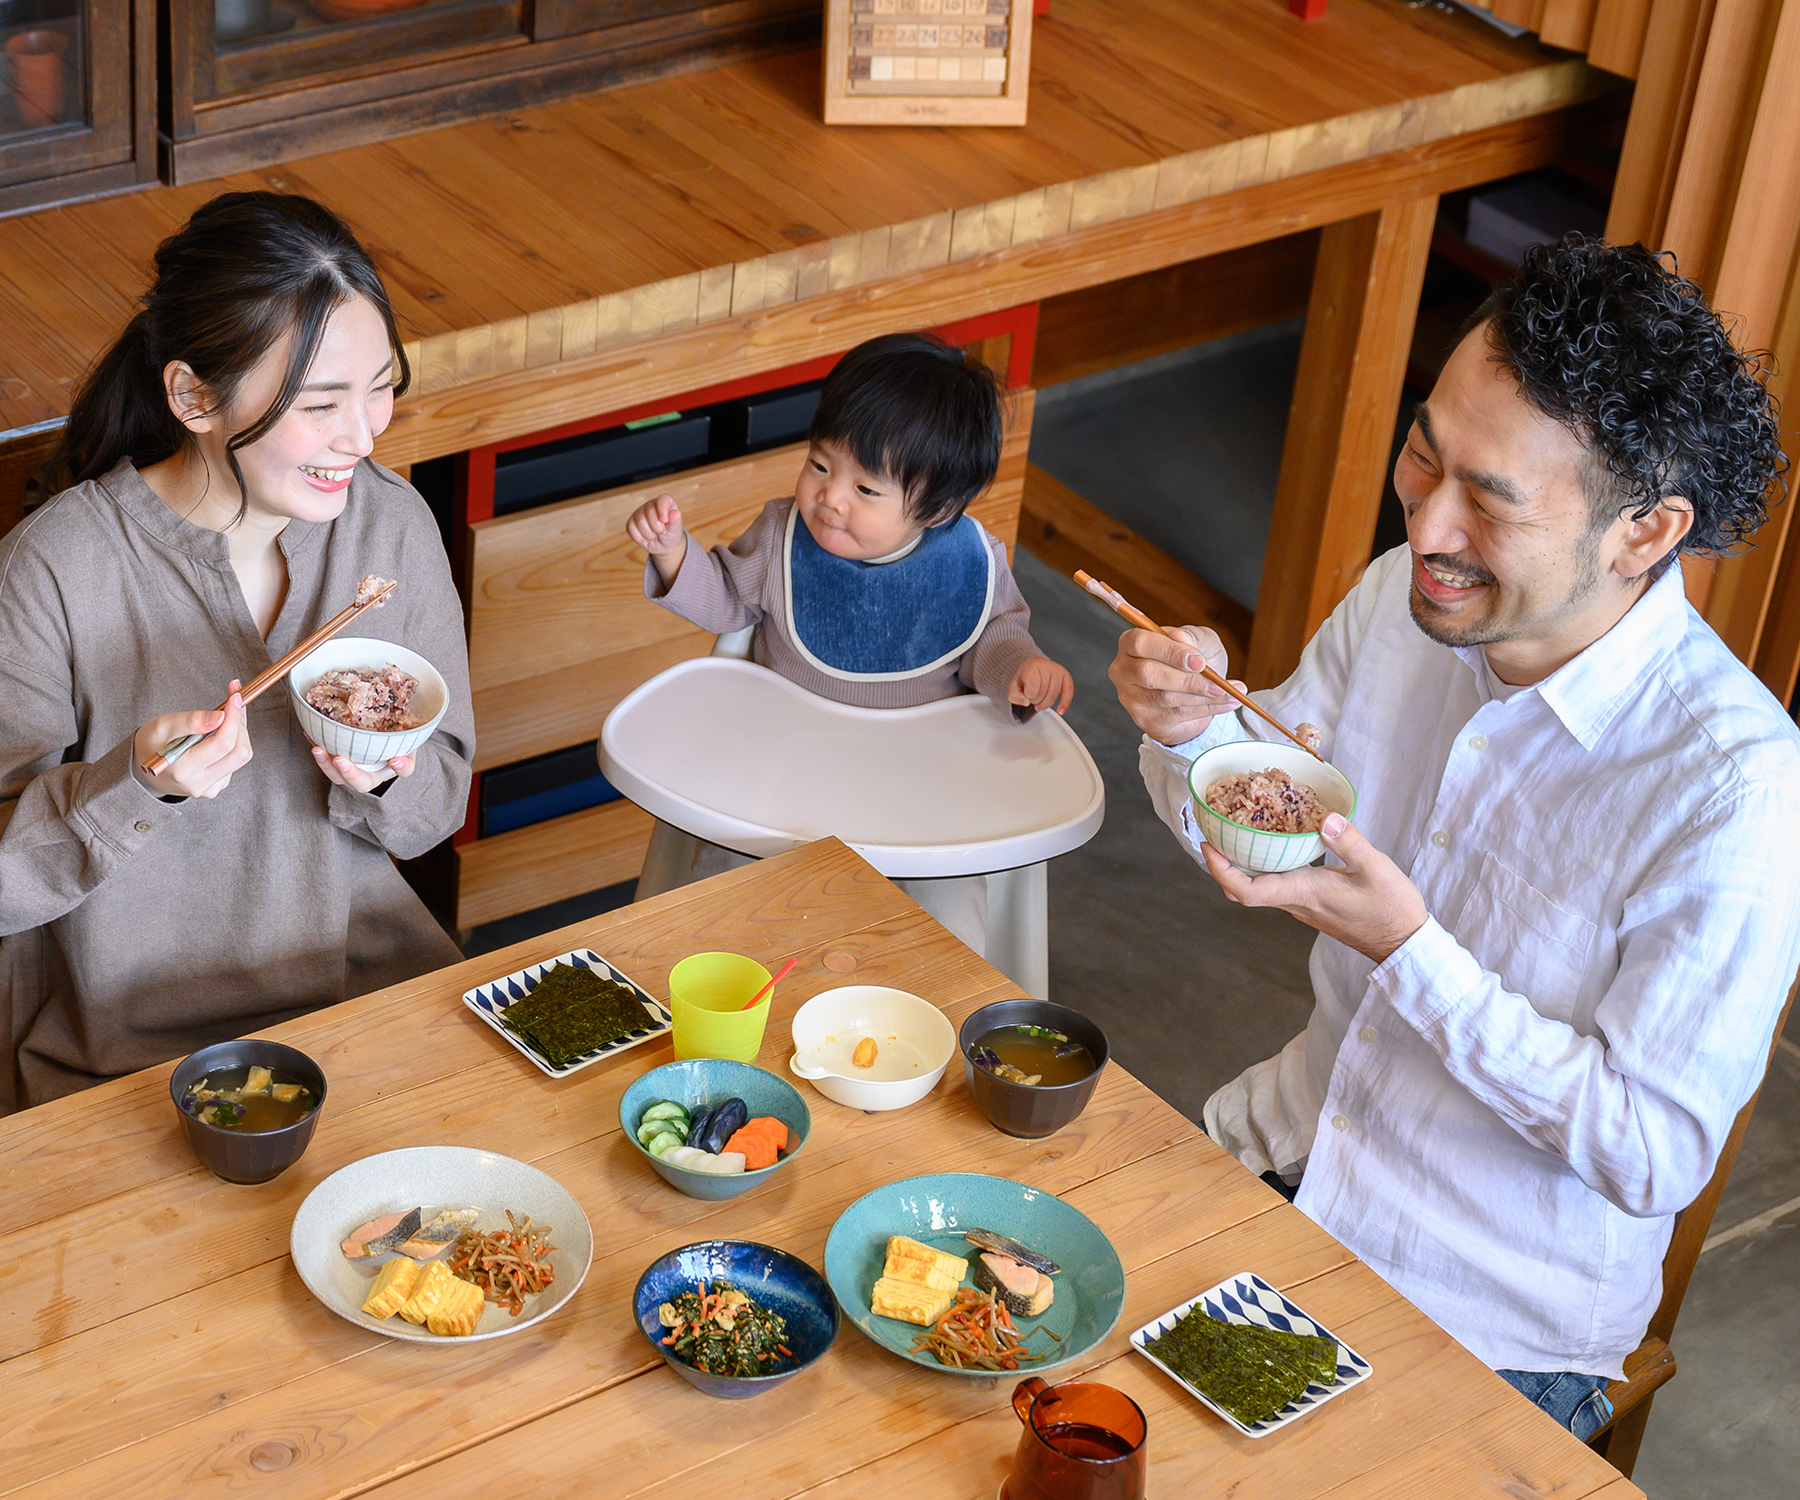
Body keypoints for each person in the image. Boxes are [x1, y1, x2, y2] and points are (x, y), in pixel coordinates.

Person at [1109, 235, 1800, 1439]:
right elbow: (1253, 819)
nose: (1427, 524)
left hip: (1483, 1318)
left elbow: (1652, 1153)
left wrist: (1409, 950)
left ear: (1645, 533)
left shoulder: (1732, 788)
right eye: (1427, 452)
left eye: (1489, 497)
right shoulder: (1404, 600)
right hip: (1282, 1149)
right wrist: (1189, 737)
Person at [0, 191, 474, 1114]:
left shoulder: (389, 525)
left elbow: (434, 810)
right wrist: (134, 786)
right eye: (322, 403)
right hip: (124, 1061)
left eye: (381, 386)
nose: (365, 433)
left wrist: (380, 777)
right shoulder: (53, 569)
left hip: (364, 1010)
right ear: (193, 396)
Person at [624, 332, 1073, 953]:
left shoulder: (969, 561)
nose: (830, 498)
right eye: (819, 465)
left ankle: (939, 1020)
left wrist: (1022, 670)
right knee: (721, 902)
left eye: (865, 490)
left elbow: (992, 640)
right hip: (780, 779)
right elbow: (726, 599)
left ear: (937, 509)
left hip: (921, 797)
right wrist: (674, 554)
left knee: (951, 925)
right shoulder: (782, 536)